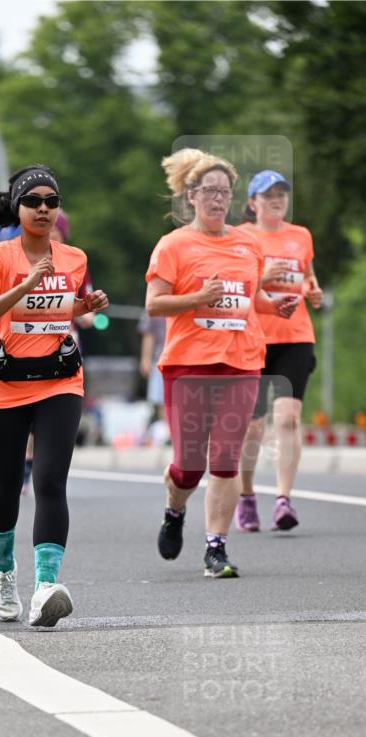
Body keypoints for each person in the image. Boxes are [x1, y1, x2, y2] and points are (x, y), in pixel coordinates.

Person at [0, 164, 109, 626]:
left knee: (49, 480)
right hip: (5, 386)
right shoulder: (0, 256)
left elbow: (65, 309)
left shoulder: (74, 258)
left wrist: (87, 307)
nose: (44, 208)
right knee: (6, 487)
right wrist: (25, 285)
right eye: (33, 201)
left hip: (59, 381)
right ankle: (4, 572)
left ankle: (45, 586)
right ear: (17, 207)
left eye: (52, 200)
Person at [145, 148, 298, 578]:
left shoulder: (247, 243)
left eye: (224, 191)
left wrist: (274, 307)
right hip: (188, 365)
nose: (217, 198)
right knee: (190, 464)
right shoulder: (173, 245)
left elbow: (248, 299)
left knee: (226, 459)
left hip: (242, 362)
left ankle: (216, 547)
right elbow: (154, 304)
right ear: (190, 196)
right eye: (209, 190)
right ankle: (174, 512)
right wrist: (197, 298)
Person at [235, 171, 323, 531]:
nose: (276, 199)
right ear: (252, 202)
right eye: (268, 194)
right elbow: (233, 284)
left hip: (295, 335)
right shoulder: (240, 237)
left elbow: (308, 277)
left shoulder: (300, 235)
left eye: (282, 193)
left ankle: (283, 500)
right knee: (253, 428)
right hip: (253, 337)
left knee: (287, 418)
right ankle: (246, 495)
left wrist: (313, 291)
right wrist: (263, 275)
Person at [20, 209, 95, 494]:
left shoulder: (75, 261)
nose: (52, 236)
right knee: (29, 414)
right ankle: (26, 468)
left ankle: (44, 472)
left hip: (64, 346)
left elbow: (85, 301)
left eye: (57, 232)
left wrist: (89, 312)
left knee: (55, 410)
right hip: (29, 344)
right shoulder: (22, 258)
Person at [138, 308, 168, 443]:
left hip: (182, 358)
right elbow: (149, 334)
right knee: (162, 400)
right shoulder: (155, 305)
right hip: (160, 358)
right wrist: (146, 359)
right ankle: (168, 431)